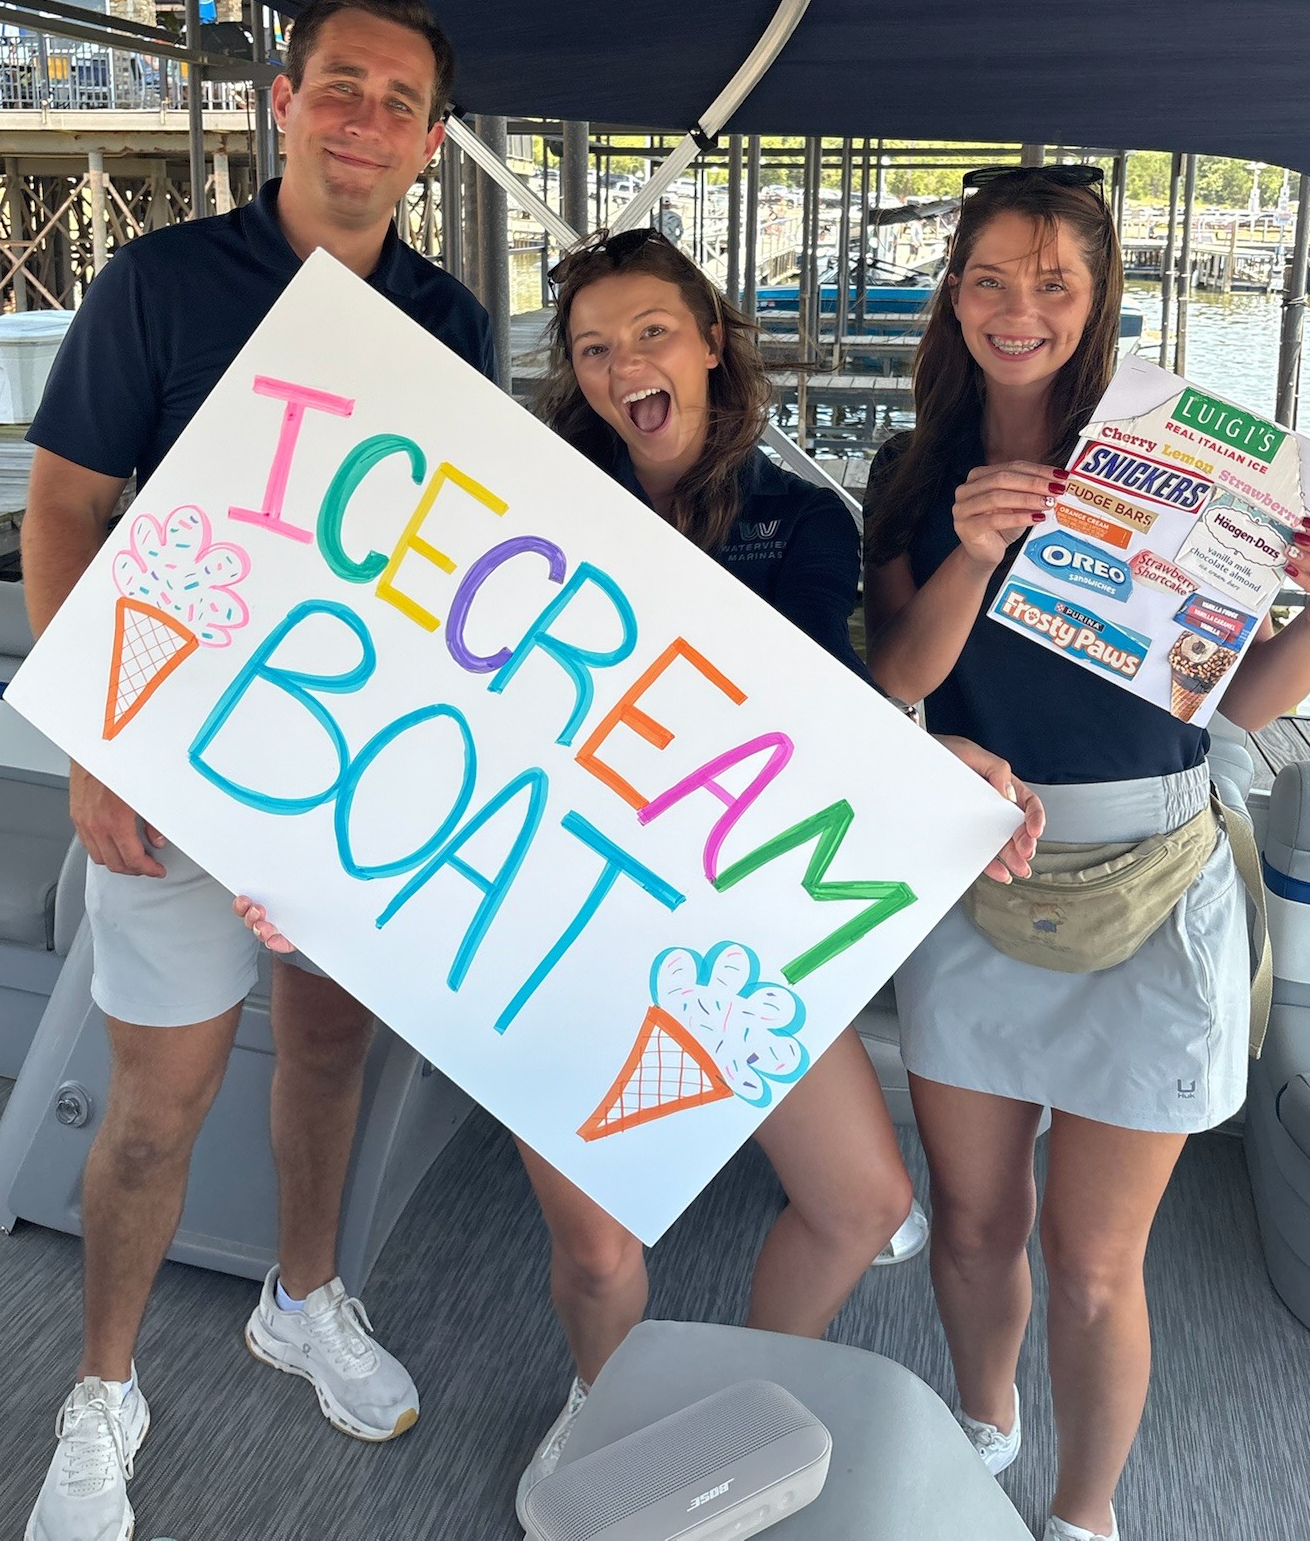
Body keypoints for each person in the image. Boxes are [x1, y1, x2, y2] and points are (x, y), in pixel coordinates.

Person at [240, 223, 1041, 1522]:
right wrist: (304, 844)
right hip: (550, 915)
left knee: (860, 1201)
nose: (625, 367)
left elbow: (812, 715)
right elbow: (414, 673)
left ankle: (730, 1387)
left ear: (712, 342)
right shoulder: (525, 494)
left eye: (652, 333)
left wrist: (937, 758)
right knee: (599, 1245)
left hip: (726, 919)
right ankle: (607, 1416)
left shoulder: (799, 521)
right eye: (596, 349)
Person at [20, 0, 495, 1541]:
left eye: (396, 100)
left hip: (351, 771)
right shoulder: (156, 285)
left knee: (329, 1055)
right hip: (169, 756)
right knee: (154, 1107)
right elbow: (64, 508)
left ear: (430, 142)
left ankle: (304, 1298)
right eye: (338, 84)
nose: (363, 117)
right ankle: (102, 1390)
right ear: (285, 101)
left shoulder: (450, 323)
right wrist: (97, 741)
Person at [862, 164, 1310, 1541]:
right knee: (973, 1224)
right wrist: (974, 551)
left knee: (1093, 1262)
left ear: (1098, 300)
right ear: (955, 291)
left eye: (1053, 280)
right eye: (989, 276)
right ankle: (987, 1421)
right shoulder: (914, 467)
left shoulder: (1189, 471)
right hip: (975, 865)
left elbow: (1246, 698)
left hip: (1155, 874)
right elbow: (898, 684)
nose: (1017, 306)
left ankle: (1086, 1514)